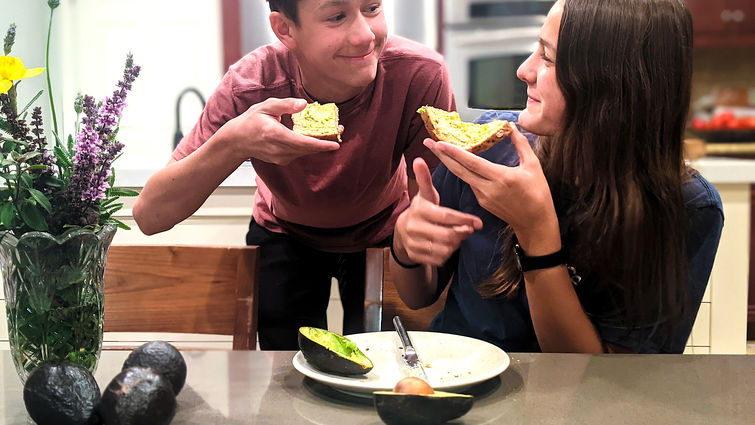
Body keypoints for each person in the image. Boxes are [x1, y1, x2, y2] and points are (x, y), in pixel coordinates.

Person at [389, 0, 724, 353]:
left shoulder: (686, 207)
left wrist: (536, 232)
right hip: (465, 388)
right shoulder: (487, 145)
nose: (523, 70)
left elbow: (603, 381)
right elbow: (417, 295)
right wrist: (405, 242)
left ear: (612, 85)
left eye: (547, 58)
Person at [132, 0, 455, 349]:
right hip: (283, 231)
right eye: (336, 16)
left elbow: (429, 208)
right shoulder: (250, 86)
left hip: (384, 230)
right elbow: (150, 216)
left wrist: (419, 232)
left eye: (373, 8)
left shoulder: (419, 74)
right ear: (285, 29)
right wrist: (233, 143)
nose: (365, 35)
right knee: (288, 376)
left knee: (381, 369)